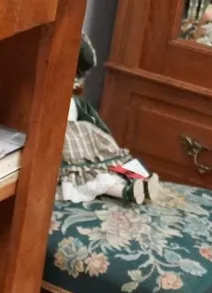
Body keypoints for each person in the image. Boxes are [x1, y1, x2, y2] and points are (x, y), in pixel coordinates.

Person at [58, 34, 164, 205]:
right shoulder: (49, 106)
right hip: (70, 155)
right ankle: (127, 192)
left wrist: (109, 145)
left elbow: (96, 124)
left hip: (91, 150)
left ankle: (141, 184)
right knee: (99, 180)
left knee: (111, 168)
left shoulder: (77, 103)